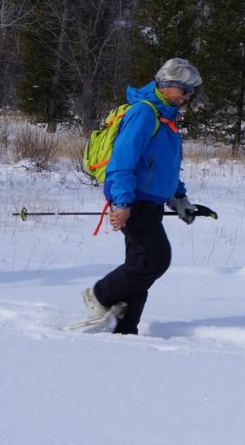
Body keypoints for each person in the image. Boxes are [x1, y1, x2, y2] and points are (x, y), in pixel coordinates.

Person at [82, 58, 213, 334]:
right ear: (167, 85)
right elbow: (122, 160)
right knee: (153, 260)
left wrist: (180, 199)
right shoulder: (144, 113)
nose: (189, 96)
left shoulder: (166, 117)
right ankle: (100, 295)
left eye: (192, 91)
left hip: (149, 202)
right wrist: (122, 201)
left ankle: (124, 329)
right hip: (134, 200)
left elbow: (164, 167)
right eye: (185, 90)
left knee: (140, 266)